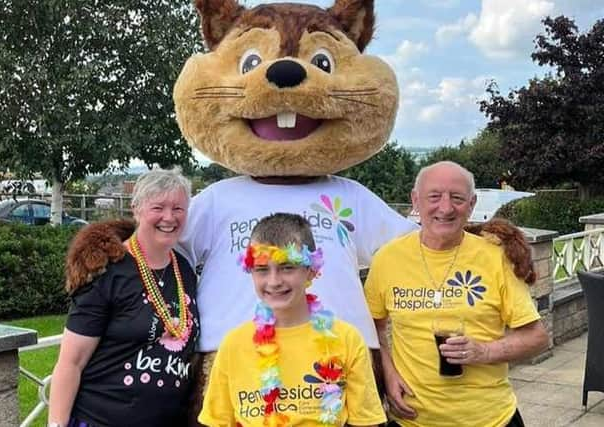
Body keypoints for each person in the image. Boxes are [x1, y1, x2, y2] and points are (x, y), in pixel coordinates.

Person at [364, 161, 550, 427]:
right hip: (412, 419)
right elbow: (372, 326)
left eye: (457, 198)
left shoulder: (495, 257)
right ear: (415, 200)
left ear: (472, 204)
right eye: (434, 196)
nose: (446, 207)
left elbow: (537, 337)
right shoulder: (387, 259)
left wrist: (483, 352)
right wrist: (388, 372)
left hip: (489, 419)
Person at [198, 213, 387, 427]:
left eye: (287, 267)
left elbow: (366, 421)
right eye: (262, 269)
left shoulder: (346, 339)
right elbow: (217, 421)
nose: (274, 281)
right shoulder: (233, 345)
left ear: (310, 271)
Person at [48, 168, 200, 427]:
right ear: (136, 209)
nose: (169, 217)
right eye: (158, 208)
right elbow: (71, 363)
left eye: (178, 209)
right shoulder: (108, 271)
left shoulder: (185, 269)